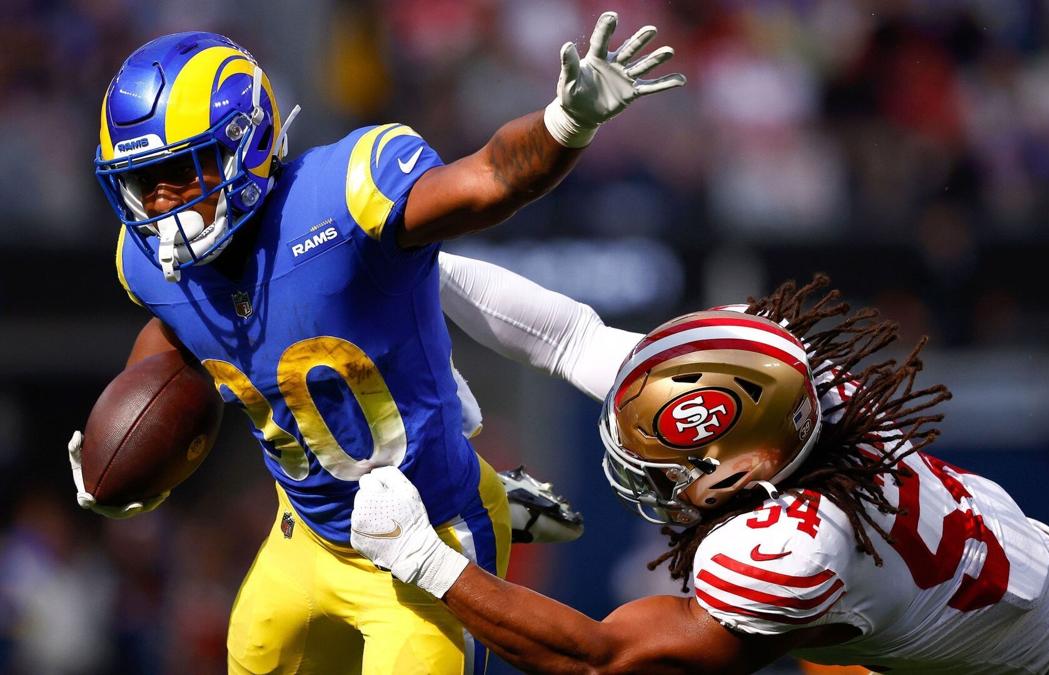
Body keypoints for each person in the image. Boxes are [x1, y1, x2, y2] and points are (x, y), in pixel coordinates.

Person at [70, 14, 684, 674]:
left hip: (426, 534)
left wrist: (565, 124)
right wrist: (123, 444)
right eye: (143, 183)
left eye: (181, 173)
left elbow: (490, 180)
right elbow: (170, 337)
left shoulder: (342, 197)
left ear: (242, 147)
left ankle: (494, 492)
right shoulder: (145, 265)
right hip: (304, 535)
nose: (160, 207)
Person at [353, 261, 1049, 674]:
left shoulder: (795, 548)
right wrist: (398, 265)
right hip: (974, 603)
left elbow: (602, 657)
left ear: (747, 471)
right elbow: (568, 336)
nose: (652, 477)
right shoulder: (787, 387)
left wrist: (425, 560)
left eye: (666, 467)